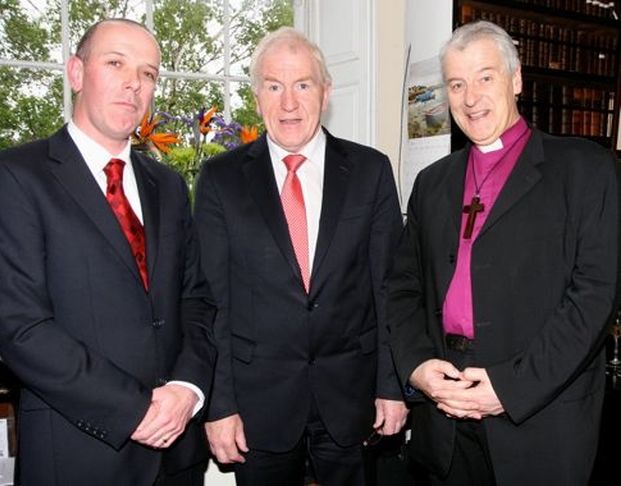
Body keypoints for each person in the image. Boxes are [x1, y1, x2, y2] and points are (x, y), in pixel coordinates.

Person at [0, 18, 217, 486]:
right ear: (75, 72)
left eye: (148, 73)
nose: (134, 83)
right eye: (116, 63)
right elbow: (23, 328)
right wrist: (135, 409)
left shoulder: (168, 185)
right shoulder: (12, 177)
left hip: (179, 453)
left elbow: (197, 301)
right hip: (80, 453)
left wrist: (188, 390)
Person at [387, 19, 618, 486]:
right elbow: (403, 287)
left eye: (485, 77)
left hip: (539, 420)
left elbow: (595, 297)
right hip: (445, 417)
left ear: (515, 80)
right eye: (457, 83)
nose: (470, 98)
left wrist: (510, 388)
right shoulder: (431, 184)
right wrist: (417, 367)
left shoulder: (585, 170)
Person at [193, 26, 408, 485]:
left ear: (326, 92)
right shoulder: (220, 180)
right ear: (257, 96)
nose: (288, 102)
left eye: (302, 85)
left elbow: (389, 288)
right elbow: (213, 301)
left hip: (354, 399)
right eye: (274, 86)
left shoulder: (370, 171)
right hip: (257, 406)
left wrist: (392, 386)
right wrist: (220, 404)